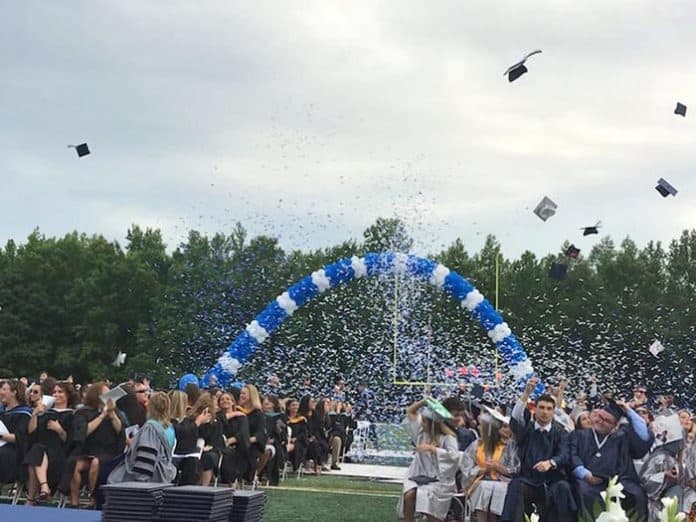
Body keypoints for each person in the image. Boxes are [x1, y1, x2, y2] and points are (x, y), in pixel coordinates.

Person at [500, 377, 576, 522]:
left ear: (554, 412)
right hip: (527, 479)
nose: (545, 412)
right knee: (516, 486)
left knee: (563, 488)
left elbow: (565, 454)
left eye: (549, 409)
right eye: (541, 407)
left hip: (551, 480)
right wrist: (527, 393)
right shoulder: (526, 429)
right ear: (534, 409)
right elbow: (515, 418)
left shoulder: (560, 432)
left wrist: (551, 462)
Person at [570, 399, 650, 519]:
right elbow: (572, 456)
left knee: (638, 495)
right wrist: (585, 474)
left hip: (614, 481)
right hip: (587, 480)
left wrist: (628, 411)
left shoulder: (621, 438)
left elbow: (643, 435)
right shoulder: (579, 435)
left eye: (607, 421)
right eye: (599, 417)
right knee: (585, 493)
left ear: (615, 426)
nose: (600, 421)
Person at [60, 382, 125, 508]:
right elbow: (84, 432)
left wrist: (111, 415)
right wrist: (102, 416)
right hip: (87, 450)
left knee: (96, 462)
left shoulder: (115, 413)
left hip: (107, 452)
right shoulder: (83, 412)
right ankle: (74, 500)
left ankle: (93, 498)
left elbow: (120, 431)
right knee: (74, 463)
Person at [397, 397, 459, 522]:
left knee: (426, 496)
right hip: (420, 475)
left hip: (440, 480)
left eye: (424, 422)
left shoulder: (448, 438)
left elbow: (455, 457)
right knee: (408, 495)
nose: (421, 424)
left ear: (432, 424)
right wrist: (424, 401)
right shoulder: (421, 434)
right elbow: (410, 412)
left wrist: (434, 450)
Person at [461, 406, 519, 522]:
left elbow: (516, 469)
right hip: (479, 481)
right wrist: (481, 470)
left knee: (494, 489)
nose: (479, 427)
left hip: (502, 482)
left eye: (482, 426)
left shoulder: (508, 445)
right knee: (485, 487)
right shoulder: (476, 445)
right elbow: (466, 467)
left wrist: (499, 467)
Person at [108, 391, 177, 483]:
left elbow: (147, 455)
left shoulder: (150, 427)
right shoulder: (170, 427)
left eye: (149, 401)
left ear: (152, 407)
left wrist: (140, 481)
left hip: (151, 477)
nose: (146, 403)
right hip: (164, 474)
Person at [24, 381, 76, 504]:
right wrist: (35, 414)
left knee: (34, 456)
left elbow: (70, 441)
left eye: (60, 392)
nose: (56, 395)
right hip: (42, 451)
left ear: (68, 395)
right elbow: (32, 432)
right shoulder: (46, 413)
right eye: (54, 392)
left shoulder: (72, 415)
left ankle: (32, 498)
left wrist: (59, 430)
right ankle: (44, 488)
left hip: (59, 454)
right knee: (37, 450)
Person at [0, 379, 32, 486]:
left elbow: (19, 438)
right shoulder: (2, 411)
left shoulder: (24, 413)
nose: (1, 392)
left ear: (14, 392)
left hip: (14, 450)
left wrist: (1, 436)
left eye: (4, 389)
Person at [217, 392, 249, 485]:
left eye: (227, 399)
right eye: (222, 399)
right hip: (220, 445)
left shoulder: (241, 417)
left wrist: (231, 440)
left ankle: (235, 480)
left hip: (237, 445)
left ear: (232, 402)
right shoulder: (216, 417)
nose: (225, 401)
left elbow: (243, 433)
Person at [237, 384, 266, 483]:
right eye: (241, 393)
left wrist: (248, 440)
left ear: (251, 396)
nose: (241, 395)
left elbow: (261, 433)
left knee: (247, 452)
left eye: (244, 393)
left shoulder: (258, 414)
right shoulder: (237, 411)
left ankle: (248, 477)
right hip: (236, 442)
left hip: (251, 444)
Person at [257, 395, 287, 485]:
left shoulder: (280, 417)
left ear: (273, 405)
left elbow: (283, 435)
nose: (264, 406)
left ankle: (263, 474)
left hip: (275, 443)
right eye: (264, 404)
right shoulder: (259, 416)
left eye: (267, 404)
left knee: (271, 449)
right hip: (260, 442)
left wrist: (273, 439)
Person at [286, 398, 309, 472]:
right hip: (286, 439)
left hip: (298, 442)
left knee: (295, 446)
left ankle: (295, 465)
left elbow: (303, 433)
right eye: (293, 405)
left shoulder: (302, 419)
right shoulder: (284, 418)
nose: (295, 407)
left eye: (296, 405)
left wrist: (296, 438)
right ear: (288, 407)